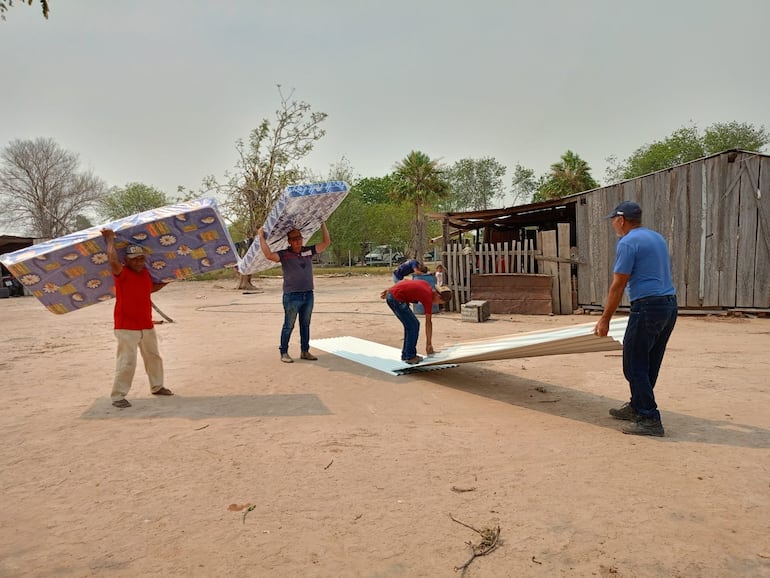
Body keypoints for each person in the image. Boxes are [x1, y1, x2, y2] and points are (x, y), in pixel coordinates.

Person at [593, 201, 677, 437]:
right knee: (649, 362)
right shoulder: (656, 237)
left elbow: (618, 285)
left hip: (648, 307)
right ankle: (637, 406)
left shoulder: (627, 242)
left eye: (613, 220)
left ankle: (649, 418)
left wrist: (605, 319)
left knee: (634, 364)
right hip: (669, 306)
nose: (612, 224)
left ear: (621, 220)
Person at [101, 229, 173, 408]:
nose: (139, 262)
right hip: (126, 326)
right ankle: (118, 396)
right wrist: (109, 239)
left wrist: (169, 280)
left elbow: (150, 289)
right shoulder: (122, 273)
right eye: (135, 259)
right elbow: (112, 259)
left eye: (141, 259)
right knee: (127, 361)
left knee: (153, 357)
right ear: (127, 261)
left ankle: (157, 386)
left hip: (146, 324)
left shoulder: (145, 274)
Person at [258, 223, 330, 363]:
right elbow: (269, 255)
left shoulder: (308, 251)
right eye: (294, 238)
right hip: (292, 295)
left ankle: (305, 351)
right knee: (289, 325)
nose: (298, 241)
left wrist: (322, 225)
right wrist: (261, 237)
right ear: (289, 241)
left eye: (299, 238)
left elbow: (326, 243)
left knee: (305, 324)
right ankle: (284, 352)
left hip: (308, 294)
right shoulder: (285, 254)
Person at [380, 279, 452, 364]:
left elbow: (406, 282)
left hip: (394, 295)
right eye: (439, 302)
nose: (436, 304)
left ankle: (406, 354)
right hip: (396, 299)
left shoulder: (426, 285)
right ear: (438, 296)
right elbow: (428, 323)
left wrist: (389, 290)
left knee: (410, 325)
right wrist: (429, 344)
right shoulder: (428, 297)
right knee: (414, 325)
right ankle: (410, 356)